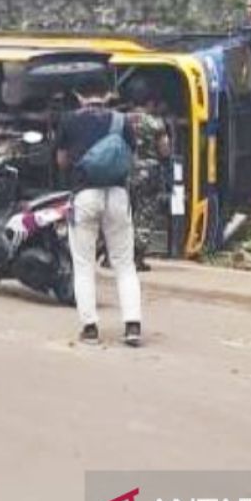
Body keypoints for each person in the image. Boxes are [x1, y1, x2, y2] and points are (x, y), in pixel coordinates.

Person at [56, 63, 143, 347]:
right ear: (107, 93)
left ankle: (90, 328)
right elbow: (132, 156)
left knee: (83, 265)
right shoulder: (122, 121)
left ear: (79, 94)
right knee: (124, 263)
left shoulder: (69, 120)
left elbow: (61, 160)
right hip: (117, 195)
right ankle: (132, 325)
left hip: (85, 195)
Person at [123, 76, 171, 272]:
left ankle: (112, 256)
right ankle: (136, 258)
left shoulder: (120, 120)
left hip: (124, 172)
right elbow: (165, 150)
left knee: (123, 214)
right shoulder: (155, 123)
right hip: (149, 174)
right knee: (144, 214)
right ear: (150, 101)